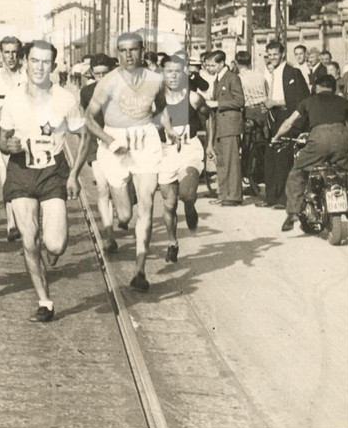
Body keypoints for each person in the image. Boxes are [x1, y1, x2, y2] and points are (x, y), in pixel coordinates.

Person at [0, 40, 84, 323]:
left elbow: (84, 137)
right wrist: (7, 146)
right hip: (21, 171)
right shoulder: (14, 98)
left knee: (55, 245)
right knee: (29, 240)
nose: (39, 67)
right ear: (25, 62)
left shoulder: (65, 99)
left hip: (52, 172)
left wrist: (73, 175)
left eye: (45, 62)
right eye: (34, 61)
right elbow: (2, 137)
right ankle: (44, 301)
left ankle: (53, 241)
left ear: (54, 66)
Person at [84, 32, 176, 293]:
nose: (128, 55)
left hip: (145, 141)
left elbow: (161, 107)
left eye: (133, 50)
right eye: (122, 51)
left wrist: (168, 128)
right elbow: (89, 119)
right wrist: (109, 141)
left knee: (146, 207)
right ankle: (124, 203)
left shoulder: (155, 80)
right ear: (117, 53)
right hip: (115, 143)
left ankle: (140, 271)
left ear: (142, 50)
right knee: (124, 214)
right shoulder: (108, 82)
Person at [272, 75, 348, 232]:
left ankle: (293, 212)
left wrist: (276, 137)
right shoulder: (345, 102)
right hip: (342, 137)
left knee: (297, 172)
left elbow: (289, 122)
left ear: (316, 87)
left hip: (319, 138)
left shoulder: (308, 101)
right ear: (333, 88)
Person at [156, 52, 212, 262]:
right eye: (168, 71)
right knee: (169, 205)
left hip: (189, 147)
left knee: (187, 194)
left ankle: (190, 206)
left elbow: (208, 117)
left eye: (177, 72)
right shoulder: (157, 100)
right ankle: (173, 243)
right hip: (166, 151)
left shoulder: (193, 97)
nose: (173, 76)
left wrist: (210, 145)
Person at [79, 54, 123, 251]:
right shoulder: (86, 92)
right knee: (103, 187)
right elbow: (86, 118)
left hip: (120, 142)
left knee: (119, 187)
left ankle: (122, 214)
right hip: (97, 144)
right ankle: (108, 234)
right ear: (91, 74)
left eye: (105, 73)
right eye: (97, 74)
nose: (101, 78)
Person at [259, 42, 311, 209]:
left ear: (282, 54)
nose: (272, 58)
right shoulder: (270, 73)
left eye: (275, 54)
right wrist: (267, 104)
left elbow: (299, 100)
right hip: (272, 117)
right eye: (269, 55)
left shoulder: (292, 72)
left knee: (283, 158)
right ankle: (270, 197)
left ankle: (283, 199)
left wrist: (274, 102)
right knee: (271, 157)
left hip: (286, 117)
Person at [0, 36, 27, 242]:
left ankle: (26, 220)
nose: (10, 57)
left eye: (14, 52)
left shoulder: (27, 75)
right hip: (4, 132)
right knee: (7, 179)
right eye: (6, 52)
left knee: (26, 178)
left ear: (19, 53)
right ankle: (11, 222)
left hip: (24, 131)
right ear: (0, 53)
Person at [205, 50, 245, 207]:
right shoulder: (218, 79)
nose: (210, 67)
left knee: (231, 162)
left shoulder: (232, 78)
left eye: (213, 64)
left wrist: (218, 104)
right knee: (221, 161)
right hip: (220, 126)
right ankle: (224, 193)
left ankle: (234, 195)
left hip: (230, 126)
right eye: (209, 64)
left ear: (222, 64)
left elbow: (240, 101)